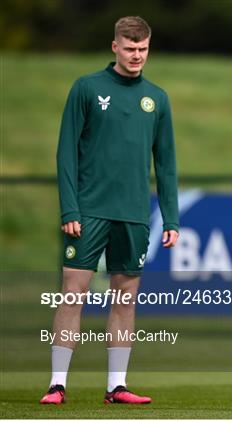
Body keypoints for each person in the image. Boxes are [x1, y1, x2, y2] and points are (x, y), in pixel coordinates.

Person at [40, 16, 180, 405]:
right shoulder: (87, 88)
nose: (137, 56)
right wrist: (70, 207)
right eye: (130, 48)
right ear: (114, 46)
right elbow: (66, 151)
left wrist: (171, 218)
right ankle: (57, 384)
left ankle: (116, 386)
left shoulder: (157, 98)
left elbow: (166, 164)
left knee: (125, 296)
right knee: (73, 293)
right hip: (88, 210)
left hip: (134, 213)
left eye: (143, 49)